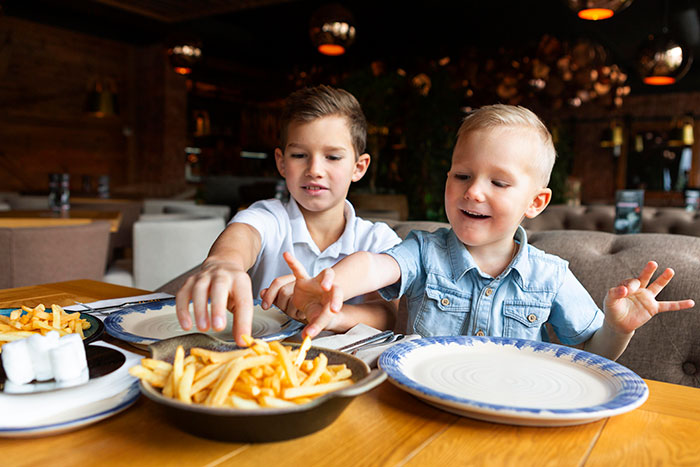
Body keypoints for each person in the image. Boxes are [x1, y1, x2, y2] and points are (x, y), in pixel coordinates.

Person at [282, 104, 695, 360]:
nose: (473, 191)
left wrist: (618, 329)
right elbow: (375, 266)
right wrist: (330, 283)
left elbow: (591, 353)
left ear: (536, 202)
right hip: (421, 398)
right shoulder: (425, 251)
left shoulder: (550, 276)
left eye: (498, 183)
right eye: (462, 175)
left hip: (513, 406)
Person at [175, 85, 401, 346]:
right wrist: (223, 263)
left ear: (358, 167)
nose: (315, 169)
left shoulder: (376, 239)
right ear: (282, 162)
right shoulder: (269, 217)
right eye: (299, 155)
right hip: (261, 364)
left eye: (332, 157)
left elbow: (390, 313)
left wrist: (327, 316)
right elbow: (243, 235)